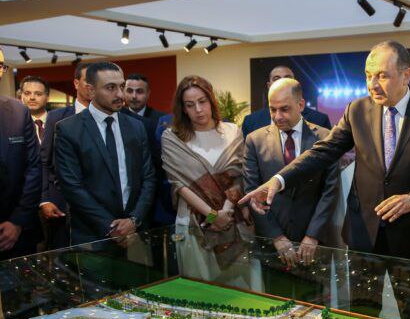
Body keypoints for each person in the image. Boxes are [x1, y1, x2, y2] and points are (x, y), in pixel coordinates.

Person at [240, 41, 410, 319]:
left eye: (382, 75)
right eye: (368, 75)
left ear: (406, 75)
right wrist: (279, 181)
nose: (372, 84)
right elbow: (323, 151)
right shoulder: (357, 110)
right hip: (363, 236)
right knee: (362, 317)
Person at [54, 62, 156, 246]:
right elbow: (72, 187)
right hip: (92, 236)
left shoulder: (136, 126)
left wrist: (134, 220)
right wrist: (111, 227)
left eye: (121, 86)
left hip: (136, 233)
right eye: (110, 88)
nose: (120, 94)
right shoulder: (68, 129)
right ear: (91, 90)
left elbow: (148, 177)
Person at [161, 75, 251, 278]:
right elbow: (180, 185)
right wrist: (213, 217)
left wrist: (225, 212)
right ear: (183, 109)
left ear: (211, 101)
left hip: (232, 220)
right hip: (194, 225)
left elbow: (238, 177)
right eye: (190, 105)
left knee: (239, 286)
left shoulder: (232, 131)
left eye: (202, 101)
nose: (198, 109)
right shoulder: (173, 138)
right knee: (200, 285)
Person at [244, 78, 339, 265]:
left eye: (284, 109)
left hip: (314, 243)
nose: (278, 116)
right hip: (272, 245)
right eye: (273, 109)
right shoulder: (254, 140)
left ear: (301, 104)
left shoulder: (325, 138)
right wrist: (276, 237)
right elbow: (252, 191)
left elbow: (330, 190)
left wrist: (312, 235)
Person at [39, 62, 91, 249]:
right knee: (61, 257)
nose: (92, 86)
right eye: (88, 81)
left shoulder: (108, 118)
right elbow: (44, 161)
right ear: (76, 83)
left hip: (98, 205)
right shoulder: (56, 117)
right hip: (60, 205)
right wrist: (44, 199)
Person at [0, 47, 42, 259]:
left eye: (1, 65)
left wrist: (17, 221)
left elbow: (33, 167)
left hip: (15, 231)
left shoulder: (18, 111)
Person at [241, 65, 331, 137]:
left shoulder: (319, 120)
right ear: (269, 86)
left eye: (287, 78)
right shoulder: (251, 122)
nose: (282, 81)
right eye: (276, 79)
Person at [19, 76, 50, 144]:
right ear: (21, 96)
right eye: (27, 93)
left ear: (47, 97)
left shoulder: (59, 123)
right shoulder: (12, 125)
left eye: (38, 94)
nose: (32, 97)